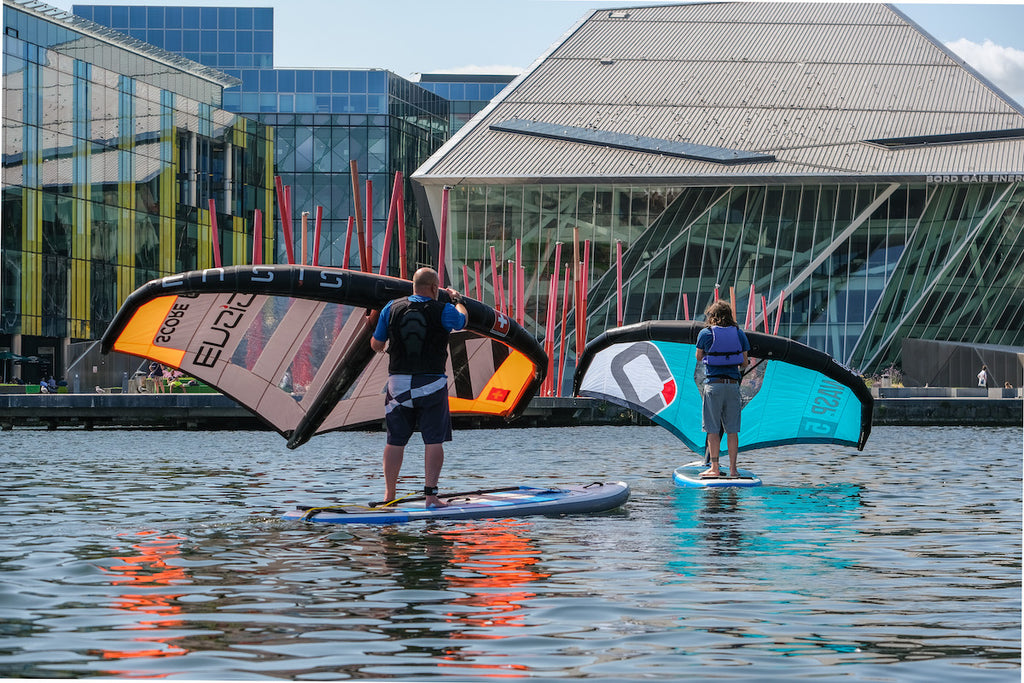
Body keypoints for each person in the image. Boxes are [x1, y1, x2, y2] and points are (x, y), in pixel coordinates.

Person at [370, 267, 469, 508]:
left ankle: (389, 497)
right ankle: (431, 497)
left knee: (395, 441)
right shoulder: (444, 309)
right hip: (431, 384)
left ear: (413, 287)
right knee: (433, 440)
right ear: (435, 288)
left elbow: (376, 344)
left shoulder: (390, 308)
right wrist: (458, 299)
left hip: (399, 384)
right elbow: (463, 320)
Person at [695, 300, 751, 479]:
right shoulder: (739, 334)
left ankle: (715, 468)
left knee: (712, 428)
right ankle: (734, 470)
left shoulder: (705, 333)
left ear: (712, 315)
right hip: (733, 387)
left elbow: (698, 357)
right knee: (732, 430)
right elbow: (744, 362)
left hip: (714, 386)